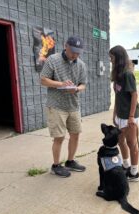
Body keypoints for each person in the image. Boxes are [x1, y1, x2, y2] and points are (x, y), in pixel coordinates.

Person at [40, 36, 87, 178]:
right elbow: (43, 80)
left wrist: (77, 89)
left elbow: (83, 84)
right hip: (56, 106)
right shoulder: (53, 60)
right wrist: (60, 84)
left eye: (78, 52)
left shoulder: (81, 65)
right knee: (59, 137)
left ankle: (70, 161)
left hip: (73, 105)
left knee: (75, 134)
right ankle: (56, 165)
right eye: (73, 51)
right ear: (65, 46)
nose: (75, 55)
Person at [109, 45, 139, 182]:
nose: (110, 60)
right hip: (120, 115)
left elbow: (134, 95)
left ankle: (134, 173)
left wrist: (131, 117)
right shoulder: (118, 75)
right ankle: (126, 166)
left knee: (131, 143)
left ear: (119, 58)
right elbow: (117, 95)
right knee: (121, 141)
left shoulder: (128, 74)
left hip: (130, 116)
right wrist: (114, 113)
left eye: (112, 58)